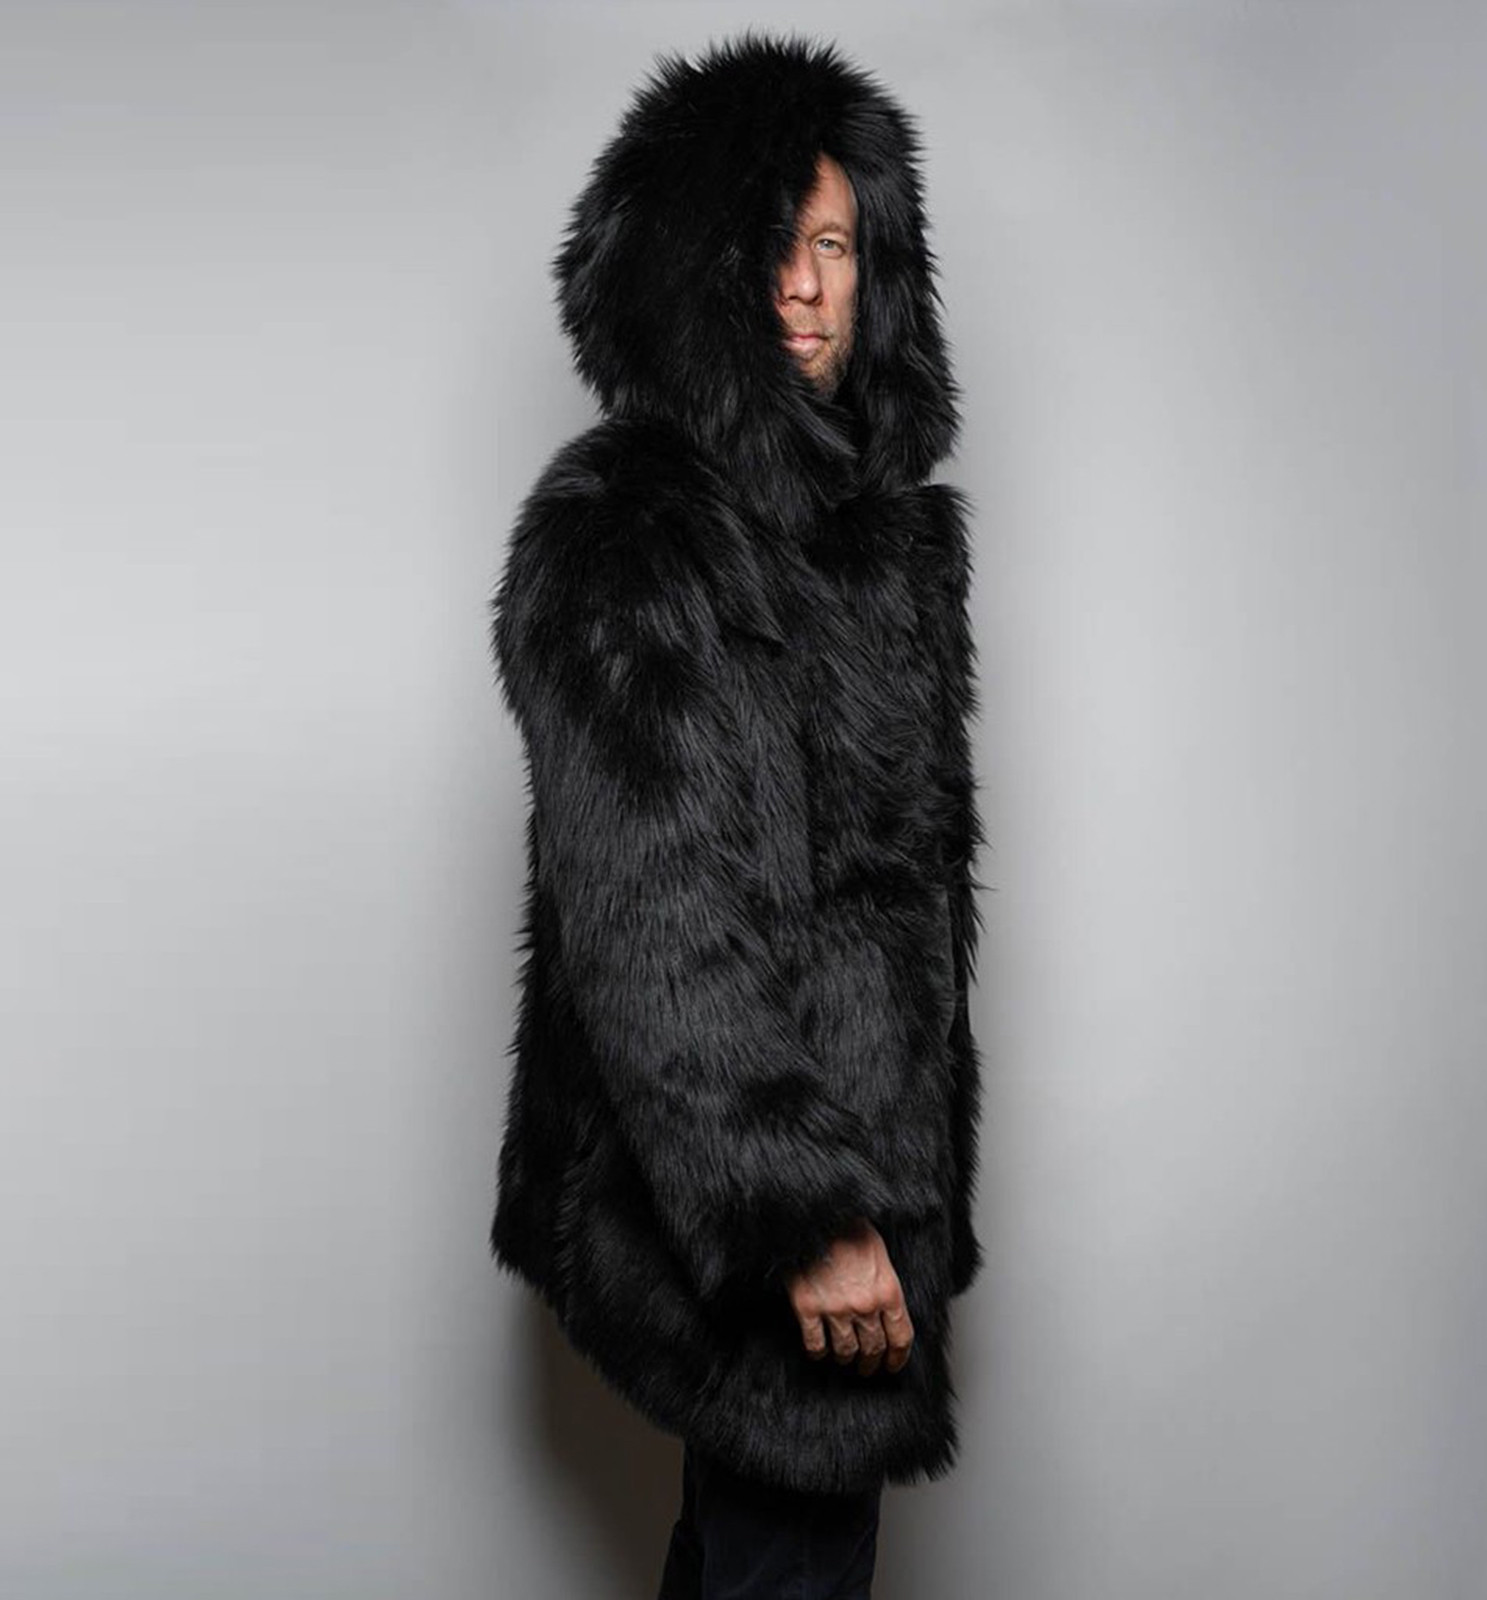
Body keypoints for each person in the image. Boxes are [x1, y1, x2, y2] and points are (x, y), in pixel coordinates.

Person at [488, 30, 986, 1598]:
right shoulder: (631, 529)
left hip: (852, 1182)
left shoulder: (876, 547)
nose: (809, 285)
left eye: (837, 242)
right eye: (772, 240)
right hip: (754, 1206)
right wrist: (804, 1221)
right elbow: (659, 923)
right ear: (695, 266)